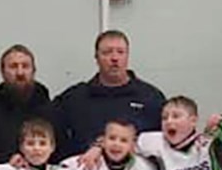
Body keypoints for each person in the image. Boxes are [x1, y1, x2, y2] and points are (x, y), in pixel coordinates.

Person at [52, 31, 166, 159]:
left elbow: (168, 140)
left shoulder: (150, 97)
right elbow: (43, 132)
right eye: (107, 52)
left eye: (120, 52)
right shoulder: (74, 98)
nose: (114, 58)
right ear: (96, 57)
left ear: (127, 56)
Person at [0, 44, 55, 165]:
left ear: (33, 71)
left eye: (25, 66)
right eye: (13, 67)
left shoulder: (50, 109)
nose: (20, 72)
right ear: (2, 72)